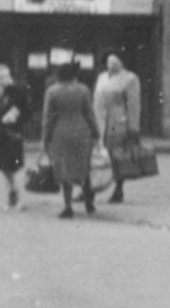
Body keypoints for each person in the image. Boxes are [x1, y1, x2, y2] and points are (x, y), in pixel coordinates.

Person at [42, 61, 98, 219]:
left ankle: (68, 206)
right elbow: (89, 113)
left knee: (65, 169)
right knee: (84, 167)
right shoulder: (83, 89)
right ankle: (89, 202)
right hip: (82, 131)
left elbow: (48, 118)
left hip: (61, 133)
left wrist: (45, 139)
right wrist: (96, 133)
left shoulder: (52, 91)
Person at [93, 52, 141, 204]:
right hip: (99, 121)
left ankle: (118, 190)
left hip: (118, 123)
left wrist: (133, 128)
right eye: (108, 61)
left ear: (122, 61)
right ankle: (90, 189)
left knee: (117, 157)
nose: (111, 64)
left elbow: (133, 105)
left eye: (114, 60)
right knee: (94, 157)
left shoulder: (130, 78)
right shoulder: (101, 77)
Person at [0, 64, 27, 209]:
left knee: (14, 166)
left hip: (13, 133)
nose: (3, 79)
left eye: (4, 76)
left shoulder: (16, 91)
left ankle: (17, 197)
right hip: (1, 134)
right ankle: (13, 190)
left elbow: (26, 111)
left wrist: (16, 116)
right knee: (3, 165)